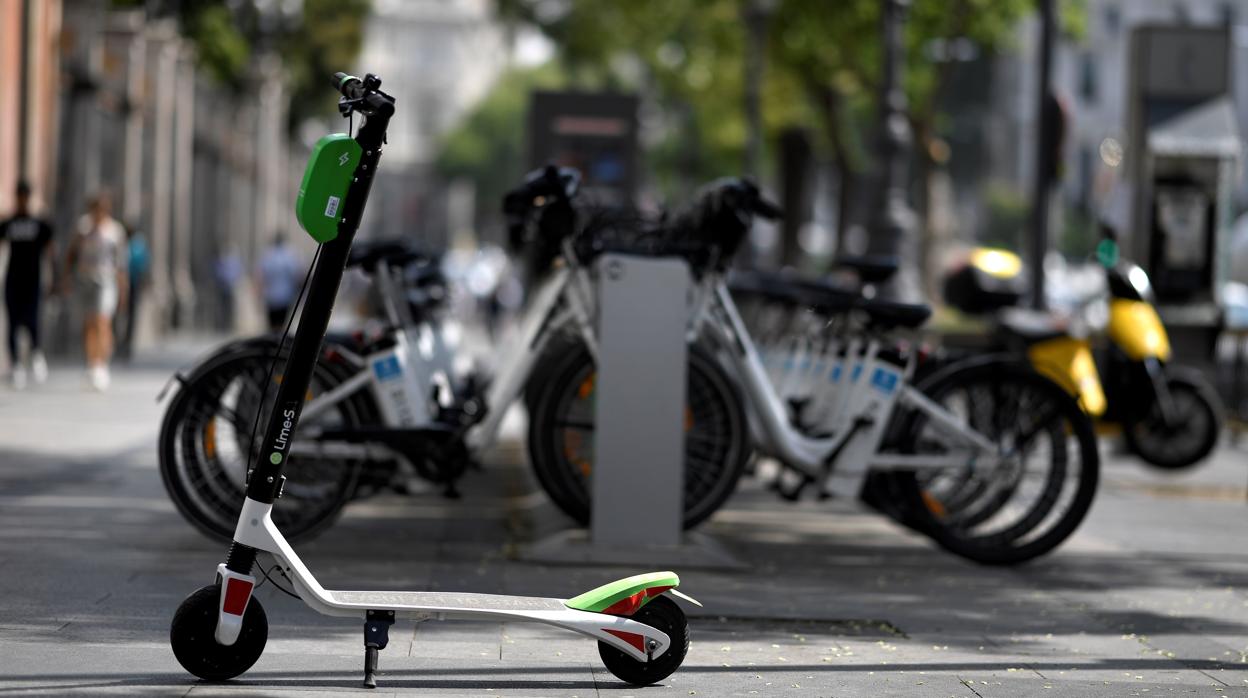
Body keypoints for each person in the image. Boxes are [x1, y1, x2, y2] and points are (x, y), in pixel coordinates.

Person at [64, 192, 127, 391]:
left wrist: (123, 289)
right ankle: (92, 363)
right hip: (85, 279)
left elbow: (121, 263)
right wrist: (66, 278)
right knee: (89, 324)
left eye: (101, 210)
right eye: (94, 210)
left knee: (102, 321)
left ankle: (102, 363)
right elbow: (71, 253)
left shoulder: (115, 231)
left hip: (106, 280)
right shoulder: (83, 227)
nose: (97, 214)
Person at [0, 180, 55, 388]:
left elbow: (50, 249)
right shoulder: (9, 223)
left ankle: (36, 353)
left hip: (33, 280)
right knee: (13, 322)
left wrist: (53, 277)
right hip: (13, 280)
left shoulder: (39, 223)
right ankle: (16, 364)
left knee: (32, 319)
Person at [117, 222, 149, 361]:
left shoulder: (137, 245)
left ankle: (126, 343)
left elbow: (142, 265)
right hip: (124, 283)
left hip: (131, 283)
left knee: (128, 315)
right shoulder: (132, 244)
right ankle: (122, 343)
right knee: (126, 315)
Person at [256, 233, 301, 332]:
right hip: (285, 297)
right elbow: (296, 276)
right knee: (282, 325)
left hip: (271, 297)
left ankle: (273, 342)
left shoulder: (268, 255)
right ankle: (278, 342)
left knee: (272, 326)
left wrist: (259, 295)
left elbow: (261, 276)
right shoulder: (289, 256)